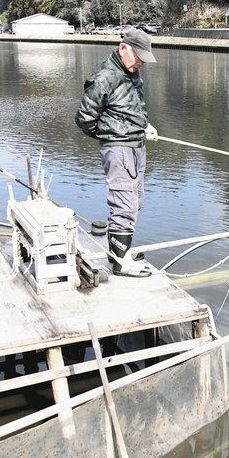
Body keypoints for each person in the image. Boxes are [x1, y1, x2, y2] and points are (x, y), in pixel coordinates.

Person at [75, 28, 158, 277]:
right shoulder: (105, 78)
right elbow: (84, 119)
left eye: (144, 57)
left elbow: (133, 107)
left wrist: (144, 125)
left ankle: (121, 252)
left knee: (134, 200)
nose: (141, 61)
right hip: (120, 148)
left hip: (136, 144)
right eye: (138, 56)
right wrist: (112, 136)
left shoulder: (132, 73)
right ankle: (120, 264)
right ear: (123, 48)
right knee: (123, 201)